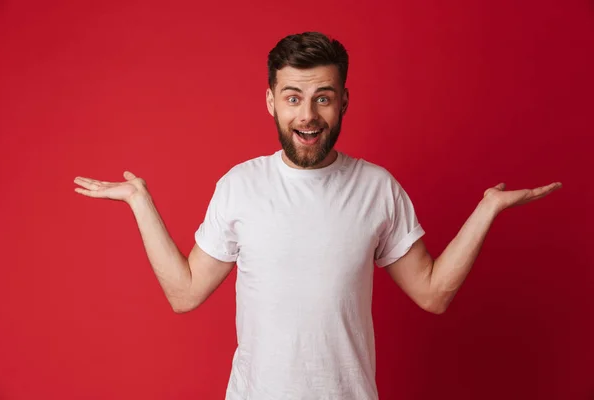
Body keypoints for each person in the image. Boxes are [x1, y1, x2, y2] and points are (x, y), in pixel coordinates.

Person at [73, 31, 562, 400]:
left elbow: (432, 294)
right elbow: (184, 294)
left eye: (322, 97)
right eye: (292, 98)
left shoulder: (377, 188)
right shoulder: (240, 186)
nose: (307, 114)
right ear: (271, 102)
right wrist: (141, 202)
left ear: (343, 100)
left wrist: (487, 210)